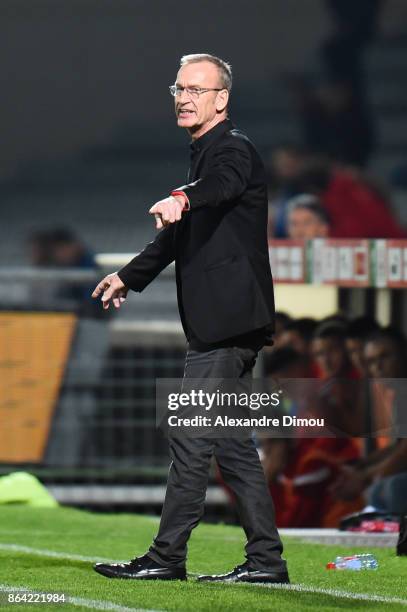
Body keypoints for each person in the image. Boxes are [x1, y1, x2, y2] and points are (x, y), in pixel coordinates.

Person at [91, 54, 289, 584]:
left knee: (190, 436)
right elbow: (178, 235)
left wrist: (182, 195)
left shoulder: (231, 149)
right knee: (231, 447)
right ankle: (267, 562)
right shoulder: (204, 154)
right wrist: (129, 276)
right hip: (225, 323)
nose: (185, 97)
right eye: (179, 88)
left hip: (227, 325)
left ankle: (166, 558)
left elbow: (222, 186)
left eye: (198, 89)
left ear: (221, 99)